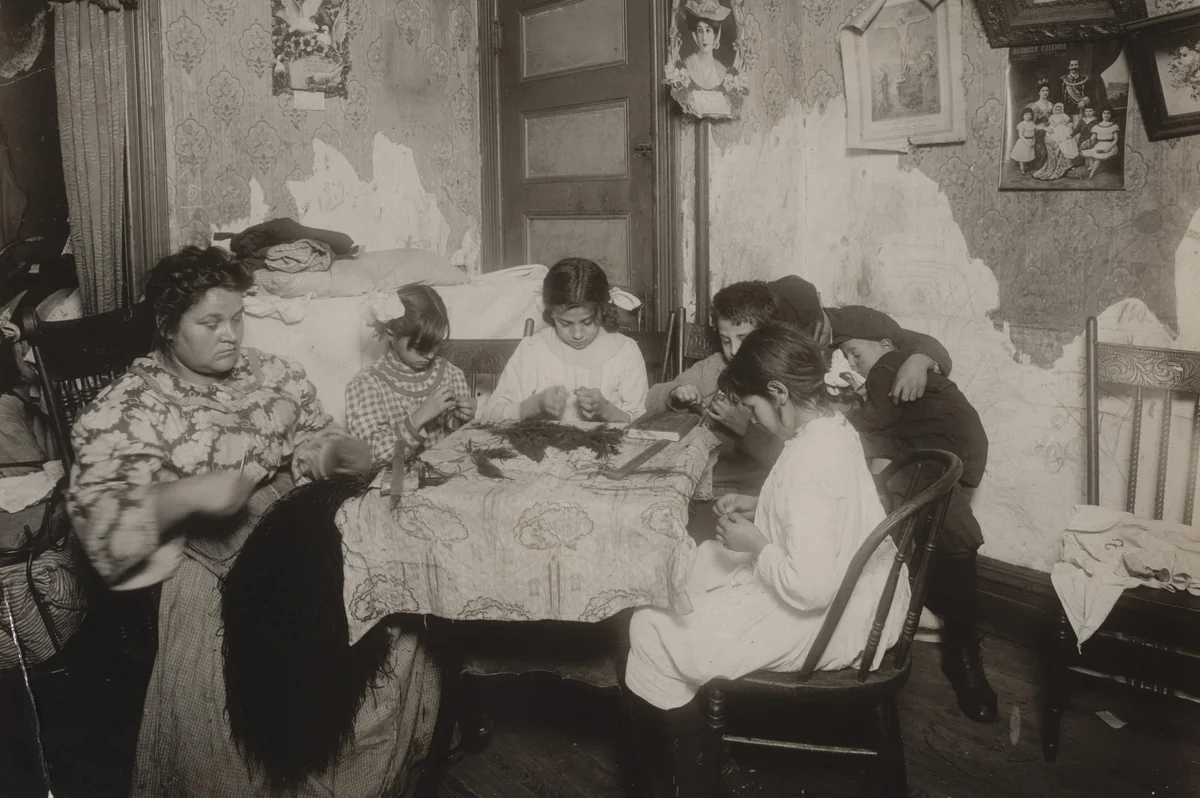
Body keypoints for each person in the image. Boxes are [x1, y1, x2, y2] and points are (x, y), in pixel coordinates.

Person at [66, 246, 439, 797]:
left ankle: (354, 780)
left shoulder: (269, 374)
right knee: (263, 650)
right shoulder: (128, 408)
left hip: (302, 527)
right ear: (168, 327)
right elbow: (98, 525)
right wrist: (185, 495)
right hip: (204, 558)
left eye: (238, 318)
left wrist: (331, 451)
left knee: (399, 609)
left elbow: (316, 431)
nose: (231, 335)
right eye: (210, 322)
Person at [625, 322, 910, 793]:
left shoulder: (807, 464)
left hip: (832, 616)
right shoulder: (833, 428)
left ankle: (700, 772)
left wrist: (758, 544)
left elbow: (812, 587)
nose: (751, 418)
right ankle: (700, 730)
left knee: (649, 627)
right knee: (695, 563)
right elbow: (826, 512)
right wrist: (761, 508)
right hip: (869, 592)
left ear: (778, 392)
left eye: (753, 405)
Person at [838, 326, 996, 723]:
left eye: (854, 352)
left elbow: (912, 341)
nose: (850, 361)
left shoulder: (868, 342)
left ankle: (962, 650)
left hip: (910, 449)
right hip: (859, 446)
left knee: (936, 505)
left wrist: (919, 359)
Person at [645, 281, 781, 495]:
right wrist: (674, 395)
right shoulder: (714, 366)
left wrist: (744, 428)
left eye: (743, 339)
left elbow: (786, 455)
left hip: (746, 489)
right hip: (697, 477)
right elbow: (651, 399)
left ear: (767, 335)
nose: (734, 350)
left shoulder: (778, 380)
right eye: (725, 340)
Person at [481, 257, 647, 424]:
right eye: (565, 323)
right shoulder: (533, 349)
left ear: (603, 309)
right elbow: (490, 414)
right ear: (551, 312)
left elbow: (644, 422)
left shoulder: (625, 351)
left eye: (587, 322)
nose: (577, 334)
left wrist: (607, 411)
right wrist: (533, 406)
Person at [769, 274, 954, 402]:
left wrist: (918, 363)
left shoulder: (858, 321)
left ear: (820, 300)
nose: (815, 342)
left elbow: (919, 342)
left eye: (817, 330)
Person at [345, 284, 474, 465]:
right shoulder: (367, 384)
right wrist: (418, 418)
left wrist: (463, 418)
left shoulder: (451, 374)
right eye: (420, 347)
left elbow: (459, 442)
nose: (430, 355)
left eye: (435, 344)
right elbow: (370, 456)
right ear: (391, 335)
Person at [681, 0, 729, 91]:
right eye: (700, 30)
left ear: (715, 35)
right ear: (695, 35)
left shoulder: (722, 71)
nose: (704, 38)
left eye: (708, 31)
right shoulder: (687, 65)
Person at [1081, 107, 1120, 180]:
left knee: (1098, 157)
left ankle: (1091, 175)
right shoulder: (1097, 126)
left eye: (1108, 113)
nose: (1106, 115)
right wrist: (1085, 143)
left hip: (1110, 146)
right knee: (1087, 152)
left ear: (1111, 114)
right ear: (1101, 114)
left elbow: (1116, 139)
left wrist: (1107, 149)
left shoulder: (1114, 126)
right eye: (1104, 113)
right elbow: (1093, 138)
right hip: (1099, 145)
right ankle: (1092, 167)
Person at [1009, 108, 1038, 175]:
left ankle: (1027, 166)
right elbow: (1021, 136)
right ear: (1023, 116)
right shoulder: (1022, 124)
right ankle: (1022, 169)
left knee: (1027, 155)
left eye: (1030, 114)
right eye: (1026, 114)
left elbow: (1034, 135)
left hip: (1031, 141)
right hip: (1023, 142)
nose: (1028, 116)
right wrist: (1028, 143)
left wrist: (1033, 141)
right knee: (1022, 157)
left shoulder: (1032, 124)